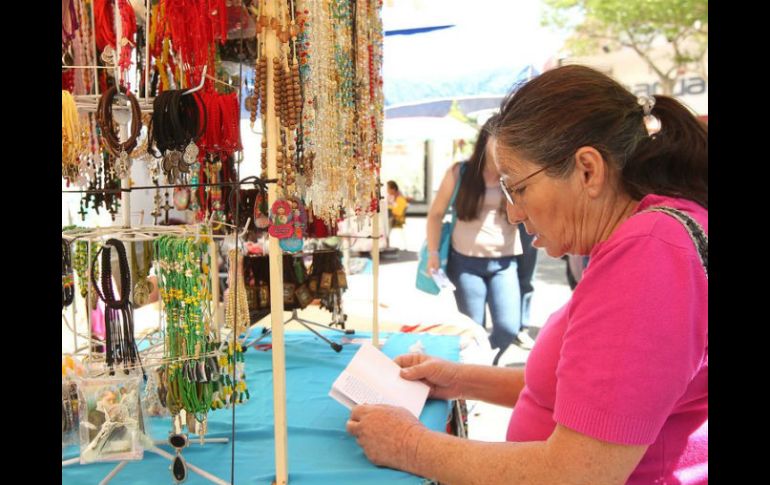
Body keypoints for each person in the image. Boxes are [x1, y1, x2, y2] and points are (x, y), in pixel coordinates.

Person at [347, 65, 708, 484]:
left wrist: (408, 445)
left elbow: (576, 475)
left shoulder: (651, 253)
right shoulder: (650, 238)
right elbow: (587, 395)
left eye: (517, 188)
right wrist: (459, 379)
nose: (514, 212)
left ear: (587, 170)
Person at [425, 115, 526, 364]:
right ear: (486, 141)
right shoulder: (461, 172)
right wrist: (433, 253)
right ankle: (475, 372)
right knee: (473, 328)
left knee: (508, 328)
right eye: (499, 140)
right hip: (466, 262)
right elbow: (435, 214)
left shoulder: (517, 174)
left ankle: (484, 363)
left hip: (504, 263)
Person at [386, 180, 409, 249]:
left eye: (388, 188)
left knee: (383, 223)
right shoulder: (390, 197)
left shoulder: (400, 199)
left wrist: (389, 207)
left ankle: (384, 243)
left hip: (396, 219)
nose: (387, 190)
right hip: (391, 217)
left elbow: (398, 212)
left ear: (393, 189)